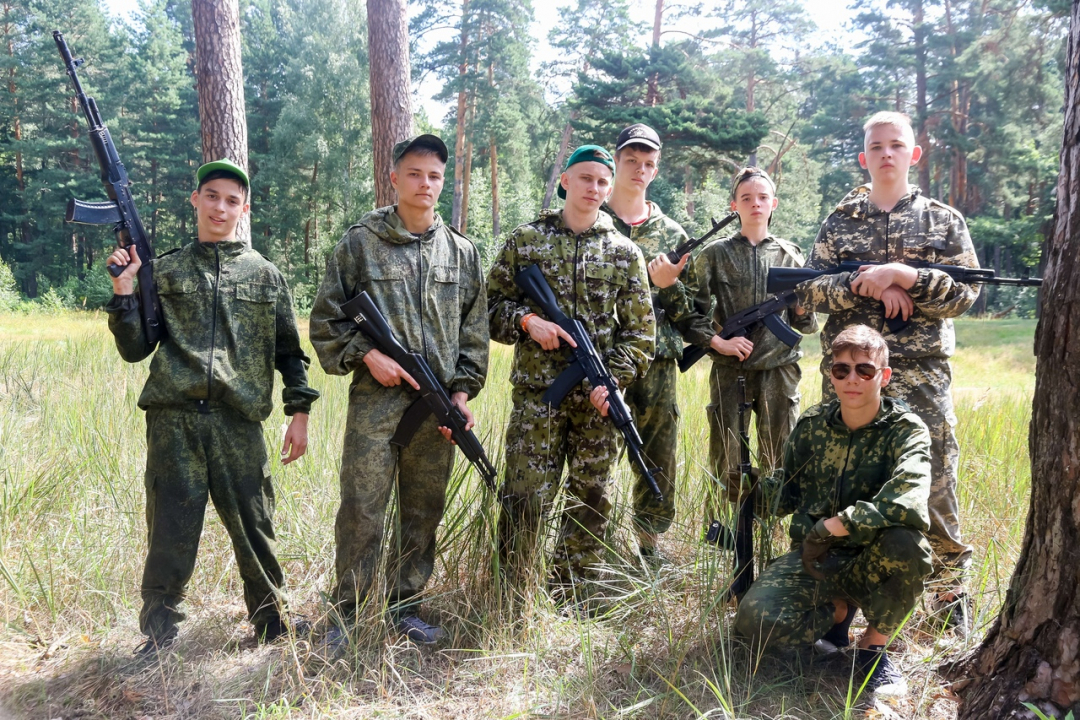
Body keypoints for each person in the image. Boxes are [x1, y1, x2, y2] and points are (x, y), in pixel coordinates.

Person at [105, 158, 320, 655]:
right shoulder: (163, 270)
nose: (220, 207)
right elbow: (135, 348)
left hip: (237, 422)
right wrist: (123, 290)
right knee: (170, 529)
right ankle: (158, 637)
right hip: (174, 421)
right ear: (196, 200)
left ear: (243, 209)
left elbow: (290, 351)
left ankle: (272, 624)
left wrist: (300, 413)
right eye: (212, 196)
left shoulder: (265, 275)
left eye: (231, 200)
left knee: (255, 526)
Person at [796, 111, 979, 633]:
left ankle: (947, 599)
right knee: (842, 479)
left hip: (920, 372)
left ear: (913, 155)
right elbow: (808, 290)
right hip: (851, 374)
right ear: (864, 156)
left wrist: (908, 276)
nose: (886, 154)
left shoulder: (943, 221)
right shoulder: (839, 221)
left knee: (936, 479)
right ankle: (839, 602)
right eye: (876, 146)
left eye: (897, 145)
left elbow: (966, 295)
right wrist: (865, 283)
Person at [308, 135, 489, 646]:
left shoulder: (462, 251)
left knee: (423, 508)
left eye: (433, 175)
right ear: (394, 177)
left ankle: (406, 606)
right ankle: (348, 614)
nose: (424, 184)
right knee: (363, 505)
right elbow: (325, 321)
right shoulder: (360, 243)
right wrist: (367, 354)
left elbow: (473, 332)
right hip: (377, 403)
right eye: (414, 173)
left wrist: (462, 392)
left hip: (436, 409)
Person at [487, 145, 655, 603]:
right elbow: (488, 309)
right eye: (585, 178)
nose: (594, 189)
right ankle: (512, 595)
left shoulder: (624, 252)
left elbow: (642, 334)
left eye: (602, 181)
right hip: (539, 396)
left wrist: (612, 380)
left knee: (593, 497)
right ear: (565, 180)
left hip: (598, 402)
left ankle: (574, 594)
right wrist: (527, 321)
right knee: (525, 495)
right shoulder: (526, 241)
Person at [733, 325, 933, 697]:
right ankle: (838, 615)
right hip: (814, 558)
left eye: (864, 370)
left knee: (908, 544)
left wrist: (839, 524)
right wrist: (752, 487)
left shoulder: (906, 430)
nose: (851, 379)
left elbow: (909, 498)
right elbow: (788, 493)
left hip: (873, 558)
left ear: (883, 376)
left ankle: (873, 649)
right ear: (831, 375)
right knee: (753, 620)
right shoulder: (812, 425)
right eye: (841, 370)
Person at [682, 167, 817, 526]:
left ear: (773, 204)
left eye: (762, 197)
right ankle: (725, 534)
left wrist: (802, 306)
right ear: (734, 205)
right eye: (746, 198)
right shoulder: (714, 254)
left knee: (779, 457)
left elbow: (806, 325)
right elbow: (689, 312)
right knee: (727, 458)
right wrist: (716, 343)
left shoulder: (791, 256)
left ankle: (771, 533)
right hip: (730, 371)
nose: (755, 204)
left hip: (780, 370)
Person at [601, 123, 695, 563]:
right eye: (631, 160)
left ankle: (649, 545)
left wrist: (667, 286)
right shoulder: (591, 219)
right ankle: (589, 545)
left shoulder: (673, 233)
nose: (640, 170)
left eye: (649, 164)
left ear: (656, 171)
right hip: (600, 358)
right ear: (615, 161)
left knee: (658, 451)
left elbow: (696, 313)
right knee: (594, 451)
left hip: (656, 360)